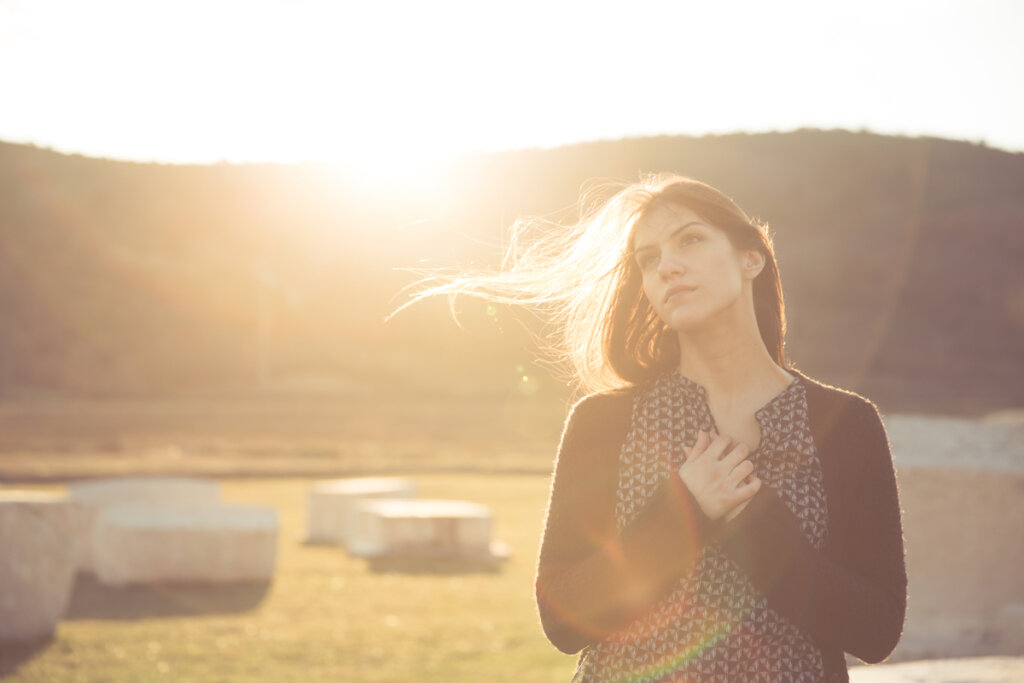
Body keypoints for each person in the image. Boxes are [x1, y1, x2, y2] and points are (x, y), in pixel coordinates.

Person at [402, 173, 906, 682]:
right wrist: (684, 514)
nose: (668, 266)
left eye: (690, 239)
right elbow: (563, 620)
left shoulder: (845, 425)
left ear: (750, 257)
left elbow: (877, 629)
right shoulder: (604, 423)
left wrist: (752, 522)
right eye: (649, 258)